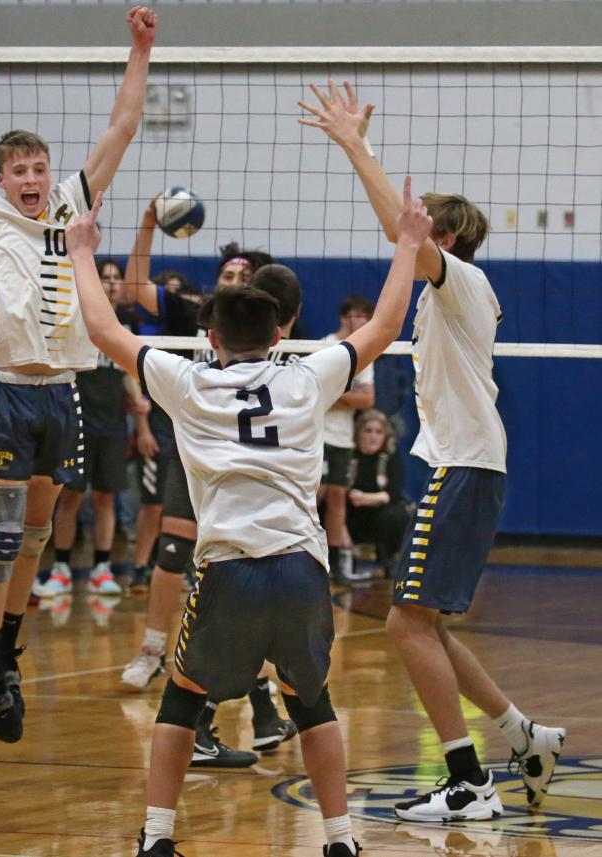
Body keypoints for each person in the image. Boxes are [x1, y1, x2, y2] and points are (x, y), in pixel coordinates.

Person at [66, 183, 433, 857]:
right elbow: (382, 328)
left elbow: (101, 329)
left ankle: (156, 837)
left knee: (181, 698)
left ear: (209, 337)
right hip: (299, 566)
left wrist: (83, 253)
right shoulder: (307, 379)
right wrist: (407, 243)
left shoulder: (187, 381)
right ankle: (340, 840)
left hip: (228, 569)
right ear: (280, 334)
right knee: (311, 701)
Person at [301, 79, 567, 821]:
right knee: (424, 623)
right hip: (462, 465)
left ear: (441, 241)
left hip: (465, 466)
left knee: (404, 621)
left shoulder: (461, 281)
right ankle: (522, 736)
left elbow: (401, 227)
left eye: (420, 233)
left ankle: (467, 781)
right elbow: (405, 233)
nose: (404, 238)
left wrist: (355, 146)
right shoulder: (445, 294)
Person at [0, 5, 157, 743]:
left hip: (66, 395)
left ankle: (0, 650)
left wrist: (139, 50)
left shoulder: (69, 206)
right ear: (0, 178)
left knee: (35, 538)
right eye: (18, 170)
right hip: (7, 392)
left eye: (37, 168)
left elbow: (119, 128)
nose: (30, 178)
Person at [121, 201, 295, 764]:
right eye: (227, 277)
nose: (234, 285)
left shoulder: (270, 341)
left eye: (246, 280)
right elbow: (132, 286)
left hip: (248, 465)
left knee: (245, 580)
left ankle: (252, 709)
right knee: (178, 555)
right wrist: (147, 223)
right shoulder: (193, 313)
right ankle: (154, 653)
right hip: (194, 452)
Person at [31, 258, 145, 600]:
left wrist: (141, 412)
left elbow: (129, 371)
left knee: (106, 497)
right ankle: (62, 569)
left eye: (115, 278)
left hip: (112, 425)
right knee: (70, 497)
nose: (110, 283)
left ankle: (102, 568)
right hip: (76, 423)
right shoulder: (73, 317)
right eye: (104, 277)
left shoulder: (127, 322)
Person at [318, 295, 375, 583]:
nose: (363, 322)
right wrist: (345, 396)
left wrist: (338, 395)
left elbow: (368, 400)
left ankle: (336, 562)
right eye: (358, 316)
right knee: (316, 494)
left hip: (343, 437)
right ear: (344, 318)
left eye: (367, 317)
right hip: (320, 435)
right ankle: (303, 556)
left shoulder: (364, 351)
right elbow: (317, 393)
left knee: (338, 496)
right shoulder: (326, 347)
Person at [344, 409, 411, 576]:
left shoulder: (390, 457)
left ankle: (389, 557)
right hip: (351, 513)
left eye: (379, 432)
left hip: (380, 514)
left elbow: (392, 493)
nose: (373, 436)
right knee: (330, 510)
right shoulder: (348, 455)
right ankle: (341, 558)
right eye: (368, 431)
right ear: (358, 433)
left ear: (385, 436)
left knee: (397, 515)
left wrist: (365, 498)